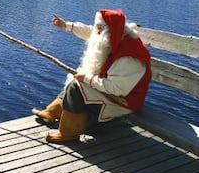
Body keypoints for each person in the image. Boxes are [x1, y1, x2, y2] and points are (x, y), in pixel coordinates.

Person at [32, 9, 151, 143]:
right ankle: (53, 112)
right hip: (112, 89)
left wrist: (87, 79)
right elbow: (91, 32)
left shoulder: (129, 57)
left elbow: (117, 89)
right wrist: (67, 25)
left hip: (123, 100)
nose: (96, 31)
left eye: (99, 28)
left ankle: (69, 132)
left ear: (109, 30)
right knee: (76, 79)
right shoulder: (115, 34)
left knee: (76, 87)